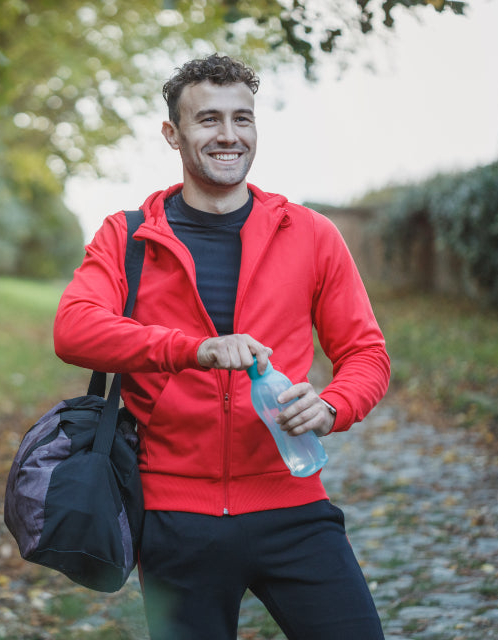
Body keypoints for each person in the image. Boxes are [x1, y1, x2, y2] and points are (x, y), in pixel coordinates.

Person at [53, 53, 391, 640]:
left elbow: (366, 352)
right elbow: (75, 330)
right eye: (208, 119)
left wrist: (336, 405)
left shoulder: (310, 233)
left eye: (243, 118)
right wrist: (194, 350)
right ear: (173, 134)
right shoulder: (128, 236)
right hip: (175, 518)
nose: (229, 135)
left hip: (293, 507)